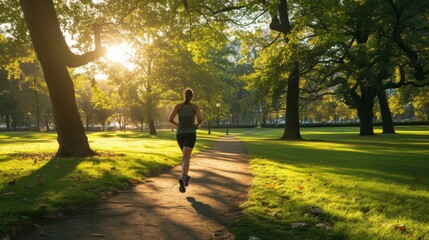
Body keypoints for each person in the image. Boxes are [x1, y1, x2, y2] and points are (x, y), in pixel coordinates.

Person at [168, 88, 203, 193]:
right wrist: (196, 125)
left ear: (184, 95)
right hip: (190, 134)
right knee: (186, 158)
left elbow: (170, 119)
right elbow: (200, 119)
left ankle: (186, 177)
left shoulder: (178, 106)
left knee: (184, 157)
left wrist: (178, 125)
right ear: (192, 97)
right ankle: (184, 177)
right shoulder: (194, 107)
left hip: (180, 134)